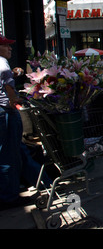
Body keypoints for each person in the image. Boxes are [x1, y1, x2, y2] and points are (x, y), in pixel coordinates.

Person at [0, 33, 51, 210]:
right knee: (9, 156)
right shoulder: (1, 63)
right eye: (6, 45)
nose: (10, 48)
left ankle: (39, 181)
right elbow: (9, 90)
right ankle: (8, 196)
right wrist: (18, 100)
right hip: (5, 113)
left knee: (17, 152)